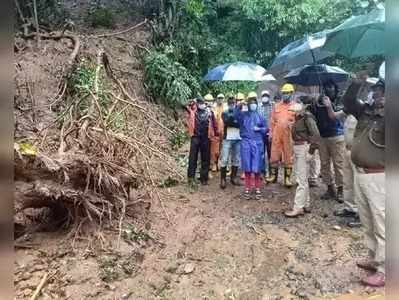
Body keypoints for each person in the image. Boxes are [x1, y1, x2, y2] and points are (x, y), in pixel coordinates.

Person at [343, 78, 385, 287]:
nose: (376, 94)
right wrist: (357, 84)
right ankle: (374, 257)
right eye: (375, 90)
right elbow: (348, 102)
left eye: (381, 90)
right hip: (361, 174)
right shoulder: (365, 112)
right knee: (368, 220)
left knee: (382, 223)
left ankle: (386, 270)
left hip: (380, 177)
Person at [310, 80, 345, 202]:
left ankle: (341, 189)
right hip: (322, 137)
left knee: (339, 164)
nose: (328, 89)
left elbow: (337, 116)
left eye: (330, 87)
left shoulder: (340, 101)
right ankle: (330, 188)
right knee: (324, 165)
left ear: (335, 89)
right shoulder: (318, 102)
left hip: (337, 136)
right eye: (325, 87)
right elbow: (312, 114)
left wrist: (329, 105)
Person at [285, 102, 320, 217]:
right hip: (299, 147)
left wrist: (311, 151)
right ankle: (305, 204)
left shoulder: (307, 118)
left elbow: (316, 135)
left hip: (304, 147)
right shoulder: (298, 118)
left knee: (301, 180)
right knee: (302, 178)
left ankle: (298, 207)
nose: (293, 113)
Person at [235, 92, 267, 199]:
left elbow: (266, 129)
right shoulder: (243, 116)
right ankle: (247, 188)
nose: (253, 105)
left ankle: (257, 187)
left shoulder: (260, 117)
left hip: (257, 143)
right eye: (251, 103)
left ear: (257, 105)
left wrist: (260, 129)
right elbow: (236, 114)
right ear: (248, 105)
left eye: (254, 103)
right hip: (246, 143)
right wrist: (239, 104)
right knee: (247, 166)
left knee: (257, 166)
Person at [333, 114, 361, 227]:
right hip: (347, 148)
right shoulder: (348, 113)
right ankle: (350, 208)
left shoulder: (364, 112)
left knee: (359, 184)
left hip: (359, 151)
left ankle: (362, 215)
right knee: (347, 181)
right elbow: (334, 116)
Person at [266, 83, 296, 187]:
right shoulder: (277, 106)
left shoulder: (295, 107)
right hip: (276, 134)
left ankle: (287, 179)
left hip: (288, 135)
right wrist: (270, 133)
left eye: (287, 93)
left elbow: (298, 121)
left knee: (288, 156)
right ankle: (273, 176)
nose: (285, 95)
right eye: (284, 93)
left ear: (292, 93)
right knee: (274, 154)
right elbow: (272, 121)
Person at [186, 97, 218, 186]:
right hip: (195, 137)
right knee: (193, 158)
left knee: (206, 158)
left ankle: (204, 178)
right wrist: (193, 101)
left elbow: (214, 124)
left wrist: (215, 134)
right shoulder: (193, 110)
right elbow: (185, 105)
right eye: (200, 103)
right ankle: (191, 178)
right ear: (197, 103)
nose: (202, 105)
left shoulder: (209, 112)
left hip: (206, 137)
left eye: (203, 103)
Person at [219, 96, 241, 189]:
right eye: (230, 103)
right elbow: (228, 122)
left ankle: (233, 177)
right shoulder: (224, 113)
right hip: (227, 138)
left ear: (235, 103)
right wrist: (234, 115)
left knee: (236, 158)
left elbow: (241, 123)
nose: (232, 104)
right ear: (228, 104)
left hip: (237, 138)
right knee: (224, 158)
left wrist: (236, 117)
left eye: (233, 103)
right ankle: (223, 179)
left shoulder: (240, 113)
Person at [258, 90, 272, 179]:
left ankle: (271, 172)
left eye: (266, 95)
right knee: (261, 153)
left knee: (271, 153)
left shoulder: (273, 106)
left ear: (269, 97)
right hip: (260, 133)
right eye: (263, 95)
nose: (265, 97)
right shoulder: (258, 107)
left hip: (270, 132)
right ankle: (262, 171)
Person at [210, 93, 225, 172]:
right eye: (219, 98)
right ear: (216, 99)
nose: (220, 100)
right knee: (214, 149)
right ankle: (214, 163)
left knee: (222, 148)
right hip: (215, 131)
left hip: (224, 131)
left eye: (222, 98)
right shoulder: (213, 108)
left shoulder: (225, 108)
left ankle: (220, 162)